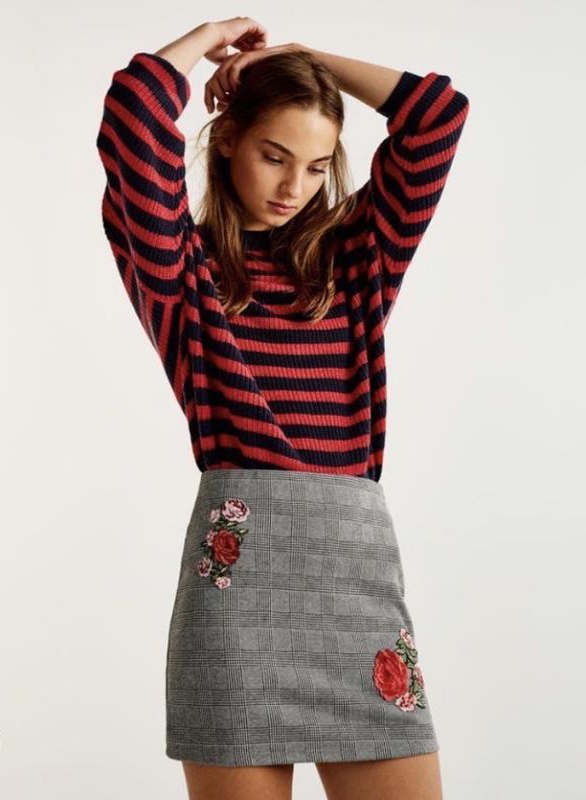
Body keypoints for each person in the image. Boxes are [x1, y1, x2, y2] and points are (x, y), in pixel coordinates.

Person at [95, 16, 470, 800]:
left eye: (315, 166)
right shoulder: (182, 273)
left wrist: (298, 57)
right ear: (227, 139)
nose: (293, 187)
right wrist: (210, 37)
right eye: (273, 155)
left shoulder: (356, 262)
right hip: (238, 602)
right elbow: (132, 116)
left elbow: (437, 115)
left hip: (355, 582)